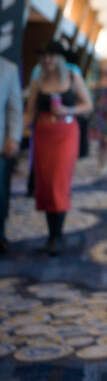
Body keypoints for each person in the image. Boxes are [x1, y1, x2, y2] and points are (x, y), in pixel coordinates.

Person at [24, 41, 93, 255]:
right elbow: (30, 112)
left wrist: (68, 109)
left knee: (58, 181)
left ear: (60, 59)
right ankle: (52, 234)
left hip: (66, 132)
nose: (47, 60)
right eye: (44, 56)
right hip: (43, 133)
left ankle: (57, 235)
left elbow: (87, 105)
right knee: (44, 182)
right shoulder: (38, 82)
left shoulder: (73, 78)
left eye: (51, 56)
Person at [0, 55, 22, 253]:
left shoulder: (8, 69)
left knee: (0, 193)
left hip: (0, 145)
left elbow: (14, 109)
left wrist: (13, 138)